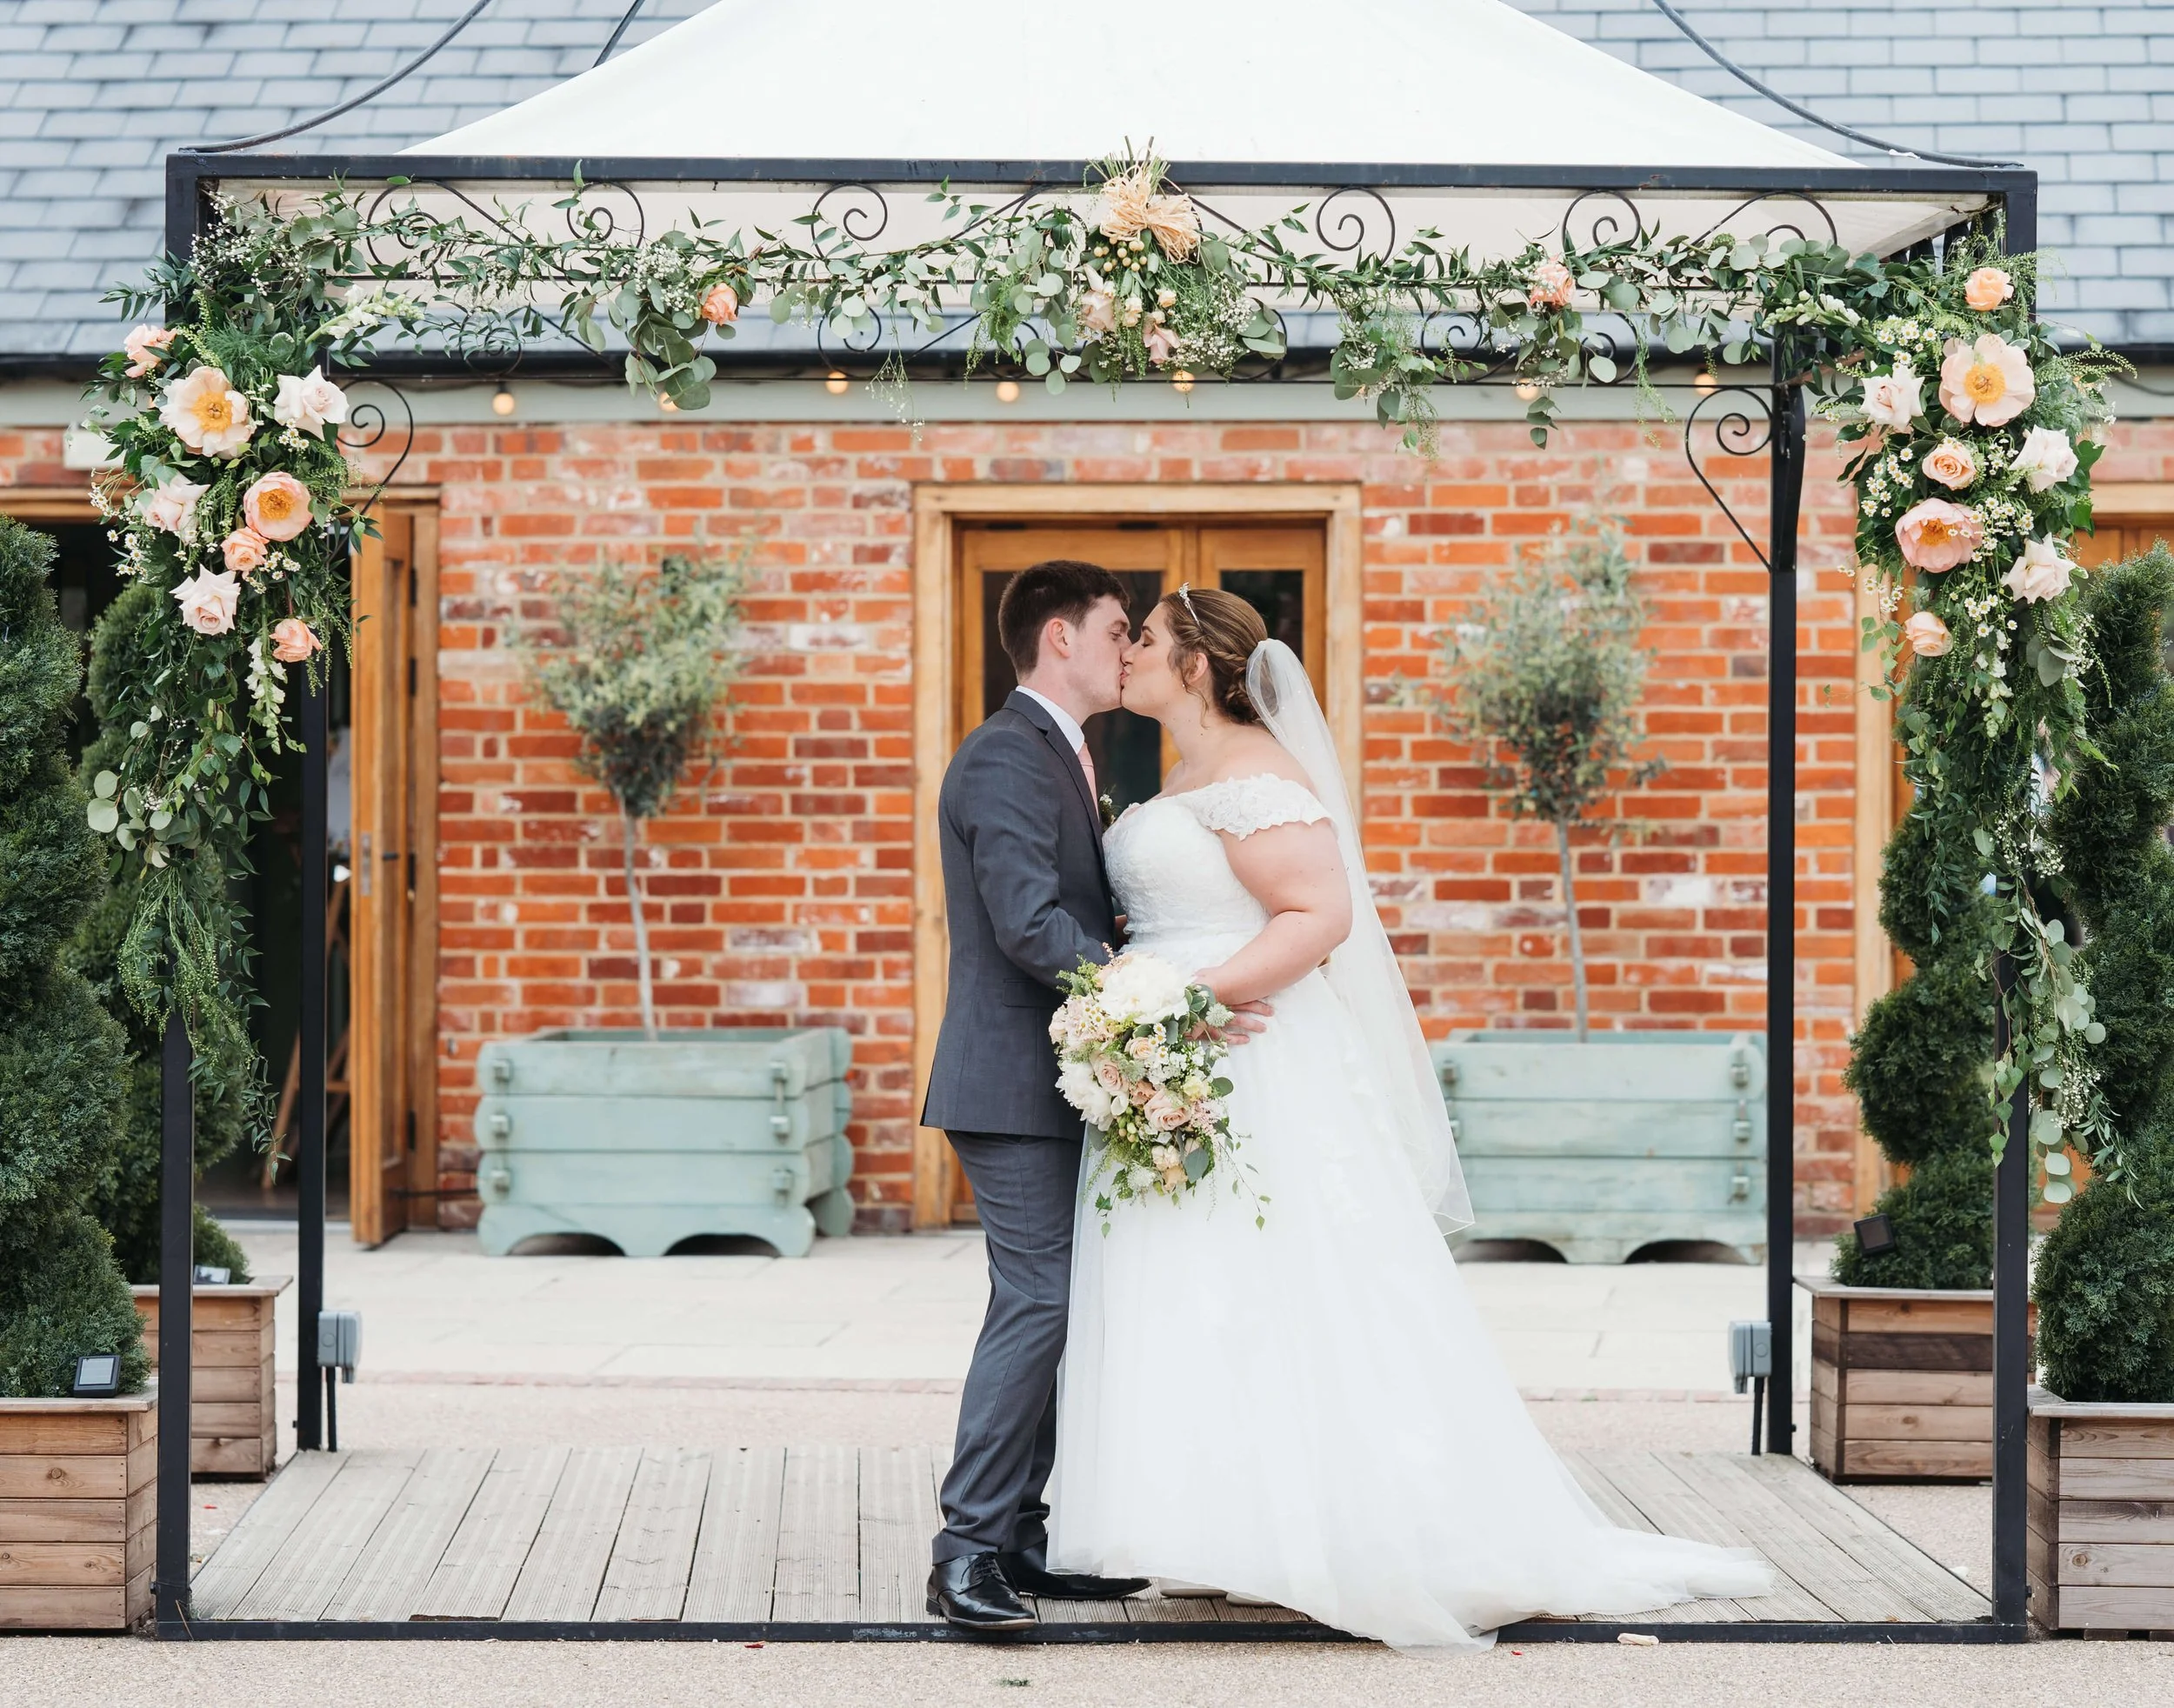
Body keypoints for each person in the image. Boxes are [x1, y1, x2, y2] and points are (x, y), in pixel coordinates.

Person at [1044, 585, 1774, 1649]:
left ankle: (1344, 1526)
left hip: (1247, 1061)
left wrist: (1192, 1003)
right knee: (1200, 1291)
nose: (1130, 656)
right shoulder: (1184, 774)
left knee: (1283, 1288)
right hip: (1177, 1063)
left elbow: (1320, 916)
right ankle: (1234, 1523)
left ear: (1194, 664)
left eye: (1145, 640)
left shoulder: (1255, 773)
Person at [919, 560, 1270, 1630]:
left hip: (1060, 1076)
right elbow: (1029, 923)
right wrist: (1160, 997)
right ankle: (968, 1546)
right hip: (1011, 1081)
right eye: (1118, 628)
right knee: (1037, 1303)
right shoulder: (1003, 757)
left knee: (1060, 1308)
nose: (1129, 649)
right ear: (1061, 636)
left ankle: (1021, 1541)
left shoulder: (1067, 754)